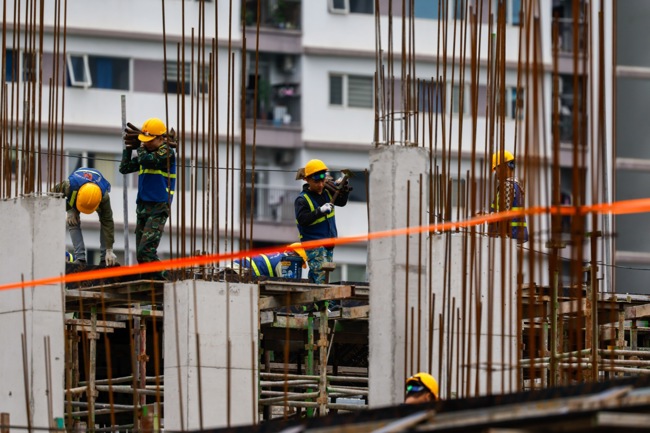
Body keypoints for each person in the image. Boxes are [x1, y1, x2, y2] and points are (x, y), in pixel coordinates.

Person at [119, 117, 176, 271]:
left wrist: (140, 146)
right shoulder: (146, 154)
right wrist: (128, 148)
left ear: (161, 138)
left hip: (159, 206)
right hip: (143, 206)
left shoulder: (167, 153)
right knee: (141, 255)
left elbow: (147, 159)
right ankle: (149, 279)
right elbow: (124, 168)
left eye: (149, 140)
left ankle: (165, 277)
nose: (146, 143)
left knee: (146, 252)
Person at [294, 159, 349, 284]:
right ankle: (320, 296)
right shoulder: (302, 199)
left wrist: (344, 189)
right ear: (307, 179)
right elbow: (303, 220)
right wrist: (320, 211)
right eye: (316, 182)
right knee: (321, 275)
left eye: (322, 181)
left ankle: (311, 295)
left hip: (328, 242)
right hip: (314, 244)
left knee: (319, 275)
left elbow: (342, 202)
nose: (320, 185)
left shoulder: (326, 192)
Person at [52, 168, 117, 266]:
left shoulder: (104, 197)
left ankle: (104, 260)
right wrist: (69, 209)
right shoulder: (68, 186)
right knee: (72, 220)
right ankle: (80, 259)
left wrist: (109, 250)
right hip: (77, 194)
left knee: (105, 223)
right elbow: (52, 195)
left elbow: (108, 222)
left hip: (92, 193)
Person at [488, 150, 528, 244]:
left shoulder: (507, 185)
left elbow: (504, 215)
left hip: (508, 237)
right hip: (515, 235)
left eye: (496, 169)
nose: (496, 173)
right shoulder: (517, 184)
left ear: (504, 167)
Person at [234, 243, 308, 278]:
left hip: (237, 266)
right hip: (241, 270)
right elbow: (284, 283)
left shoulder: (279, 256)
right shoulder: (284, 261)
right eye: (300, 262)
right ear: (295, 256)